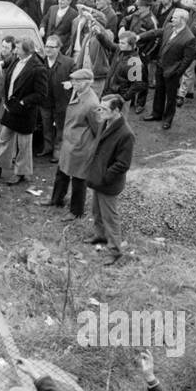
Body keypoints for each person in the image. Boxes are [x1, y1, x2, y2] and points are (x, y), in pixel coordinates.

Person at [83, 94, 134, 266]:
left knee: (110, 217)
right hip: (98, 177)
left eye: (105, 109)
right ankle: (100, 236)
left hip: (108, 182)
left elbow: (123, 164)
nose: (101, 111)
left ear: (117, 110)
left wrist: (105, 177)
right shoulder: (105, 122)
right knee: (96, 210)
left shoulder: (126, 134)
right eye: (101, 107)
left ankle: (115, 251)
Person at [0, 36, 48, 186]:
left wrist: (23, 102)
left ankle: (21, 173)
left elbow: (41, 94)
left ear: (26, 51)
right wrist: (2, 63)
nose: (14, 51)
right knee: (4, 138)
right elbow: (11, 64)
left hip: (25, 111)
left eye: (17, 48)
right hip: (11, 107)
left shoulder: (38, 68)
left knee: (23, 144)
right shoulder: (18, 59)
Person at [45, 68, 98, 218]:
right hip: (70, 143)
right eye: (73, 80)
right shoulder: (79, 92)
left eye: (77, 81)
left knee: (78, 179)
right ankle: (56, 200)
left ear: (87, 83)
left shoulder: (92, 103)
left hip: (80, 146)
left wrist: (92, 148)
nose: (73, 83)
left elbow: (98, 128)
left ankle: (76, 211)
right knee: (61, 172)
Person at [141, 6, 196, 130]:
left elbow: (187, 59)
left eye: (175, 18)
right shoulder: (169, 27)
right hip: (161, 67)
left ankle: (168, 119)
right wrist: (140, 36)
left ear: (182, 20)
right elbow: (155, 32)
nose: (171, 19)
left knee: (170, 97)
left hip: (172, 72)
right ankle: (156, 113)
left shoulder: (189, 38)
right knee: (159, 92)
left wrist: (178, 72)